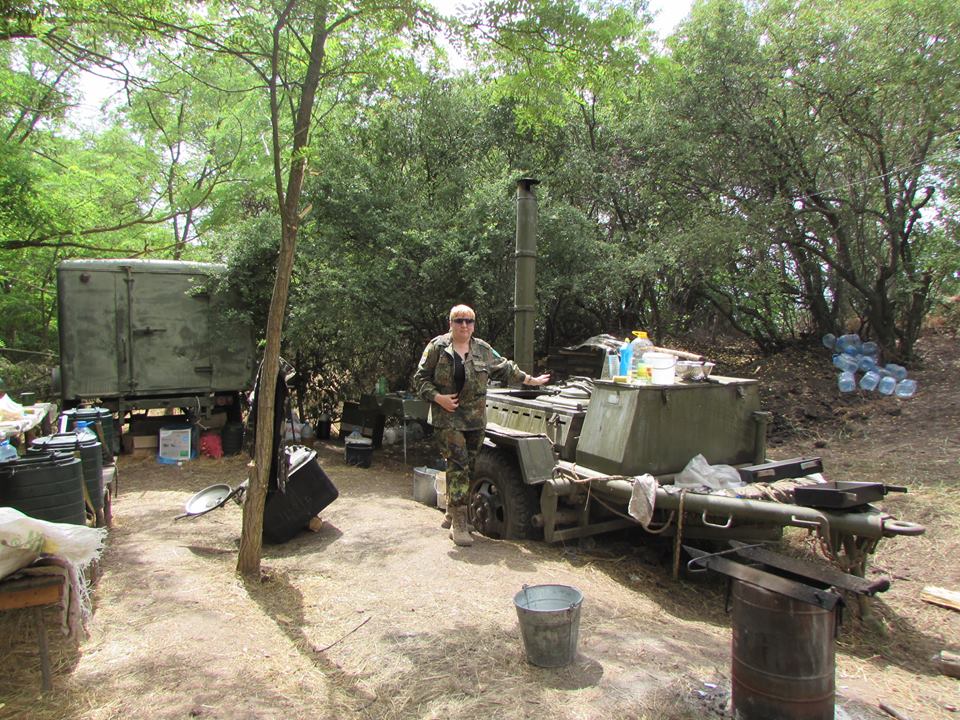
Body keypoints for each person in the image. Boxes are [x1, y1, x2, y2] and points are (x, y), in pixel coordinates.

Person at [413, 304, 550, 547]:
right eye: (459, 321)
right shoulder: (437, 348)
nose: (464, 325)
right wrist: (438, 398)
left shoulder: (482, 349)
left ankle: (452, 510)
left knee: (469, 467)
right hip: (448, 419)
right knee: (458, 464)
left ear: (474, 325)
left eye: (469, 321)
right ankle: (459, 523)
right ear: (451, 324)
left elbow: (506, 368)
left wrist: (532, 380)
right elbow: (420, 379)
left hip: (475, 421)